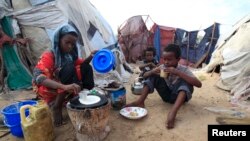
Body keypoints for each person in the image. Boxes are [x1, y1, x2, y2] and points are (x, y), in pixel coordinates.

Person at [33, 24, 96, 126]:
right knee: (70, 69)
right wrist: (64, 86)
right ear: (59, 40)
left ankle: (85, 96)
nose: (70, 46)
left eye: (73, 43)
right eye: (67, 42)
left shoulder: (70, 55)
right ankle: (56, 107)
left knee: (86, 67)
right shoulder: (48, 55)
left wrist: (91, 56)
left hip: (63, 85)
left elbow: (82, 64)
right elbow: (39, 78)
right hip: (47, 86)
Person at [126, 44, 202, 129]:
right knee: (154, 75)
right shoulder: (162, 67)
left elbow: (199, 84)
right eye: (164, 59)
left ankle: (173, 112)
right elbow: (144, 76)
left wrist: (178, 73)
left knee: (186, 82)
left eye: (169, 60)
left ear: (178, 59)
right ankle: (140, 101)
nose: (166, 62)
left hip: (178, 98)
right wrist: (153, 71)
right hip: (166, 96)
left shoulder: (184, 69)